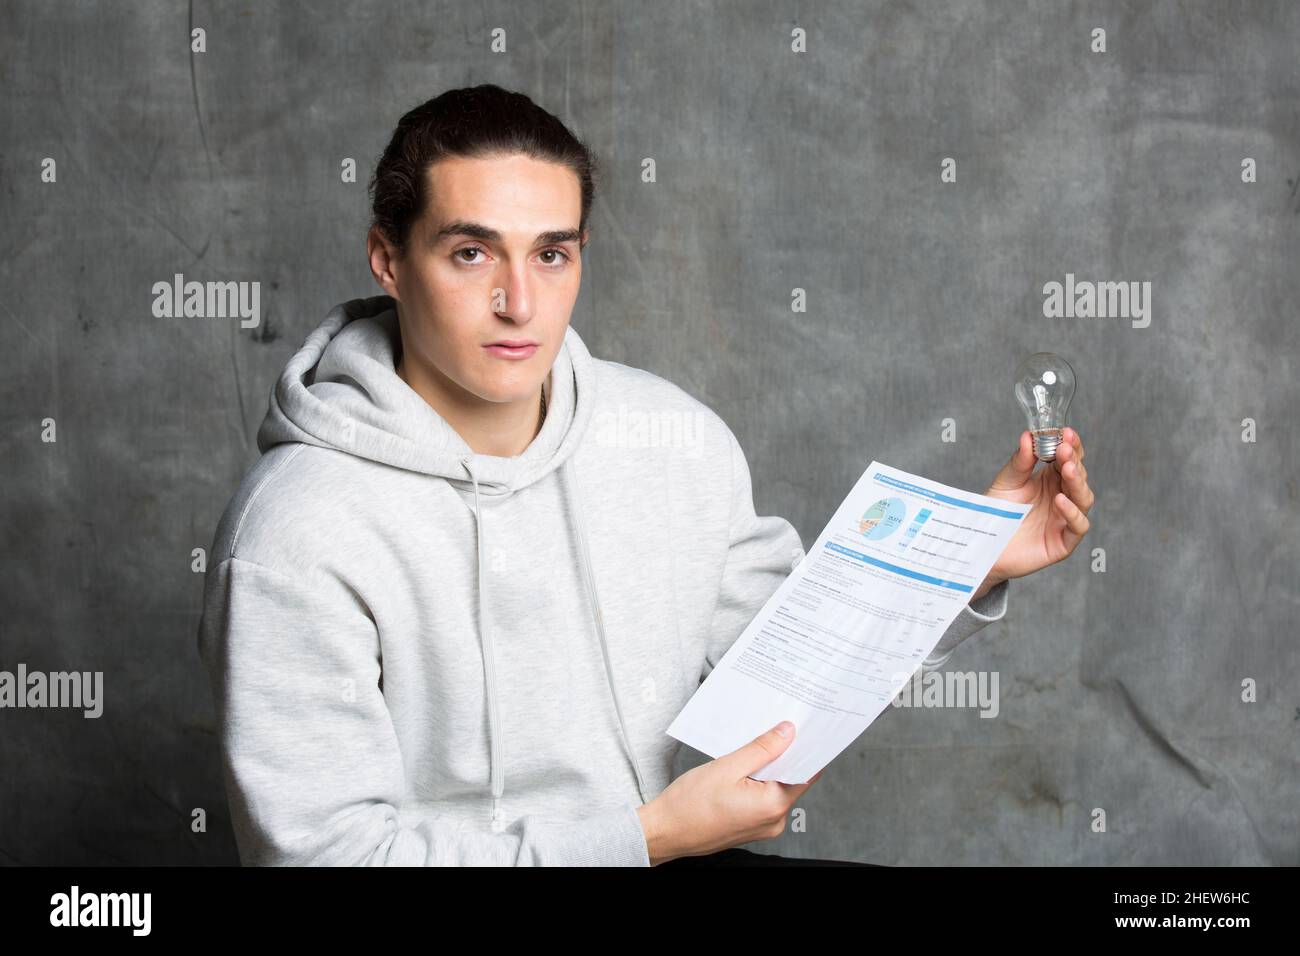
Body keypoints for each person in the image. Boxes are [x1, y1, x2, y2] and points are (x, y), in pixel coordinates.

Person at [196, 84, 1094, 867]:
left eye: (552, 253)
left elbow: (794, 655)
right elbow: (325, 858)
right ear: (388, 260)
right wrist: (645, 838)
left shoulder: (670, 437)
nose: (520, 301)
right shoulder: (297, 530)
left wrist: (964, 558)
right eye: (471, 252)